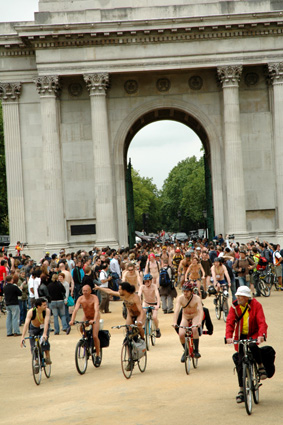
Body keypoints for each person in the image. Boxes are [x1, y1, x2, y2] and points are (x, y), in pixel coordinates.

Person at [225, 285, 268, 404]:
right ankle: (241, 390)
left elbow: (261, 322)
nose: (237, 297)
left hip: (254, 333)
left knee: (253, 346)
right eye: (237, 295)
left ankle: (260, 367)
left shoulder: (256, 305)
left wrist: (261, 335)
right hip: (240, 335)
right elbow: (230, 322)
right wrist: (228, 336)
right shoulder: (234, 306)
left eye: (240, 296)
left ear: (247, 297)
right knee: (240, 362)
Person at [69, 285, 101, 367]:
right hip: (86, 317)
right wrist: (72, 320)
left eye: (86, 290)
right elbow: (75, 309)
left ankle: (98, 354)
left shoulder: (94, 298)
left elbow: (96, 309)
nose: (85, 292)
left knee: (94, 336)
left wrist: (94, 319)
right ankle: (86, 341)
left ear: (90, 291)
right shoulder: (80, 298)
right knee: (80, 327)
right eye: (83, 291)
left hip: (95, 317)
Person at [173, 281, 203, 362]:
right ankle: (185, 350)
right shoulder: (180, 298)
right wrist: (175, 322)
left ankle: (196, 350)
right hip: (185, 317)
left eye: (187, 291)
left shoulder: (197, 298)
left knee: (194, 329)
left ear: (191, 291)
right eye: (184, 291)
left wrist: (199, 322)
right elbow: (176, 310)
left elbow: (200, 311)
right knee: (181, 334)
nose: (185, 293)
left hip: (195, 316)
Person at [20, 298, 52, 368]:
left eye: (46, 304)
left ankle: (47, 356)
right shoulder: (31, 312)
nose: (46, 306)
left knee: (44, 341)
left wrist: (44, 334)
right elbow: (26, 324)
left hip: (43, 328)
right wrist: (23, 336)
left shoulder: (47, 311)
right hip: (33, 328)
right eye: (44, 305)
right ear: (38, 306)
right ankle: (36, 361)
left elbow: (46, 323)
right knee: (33, 346)